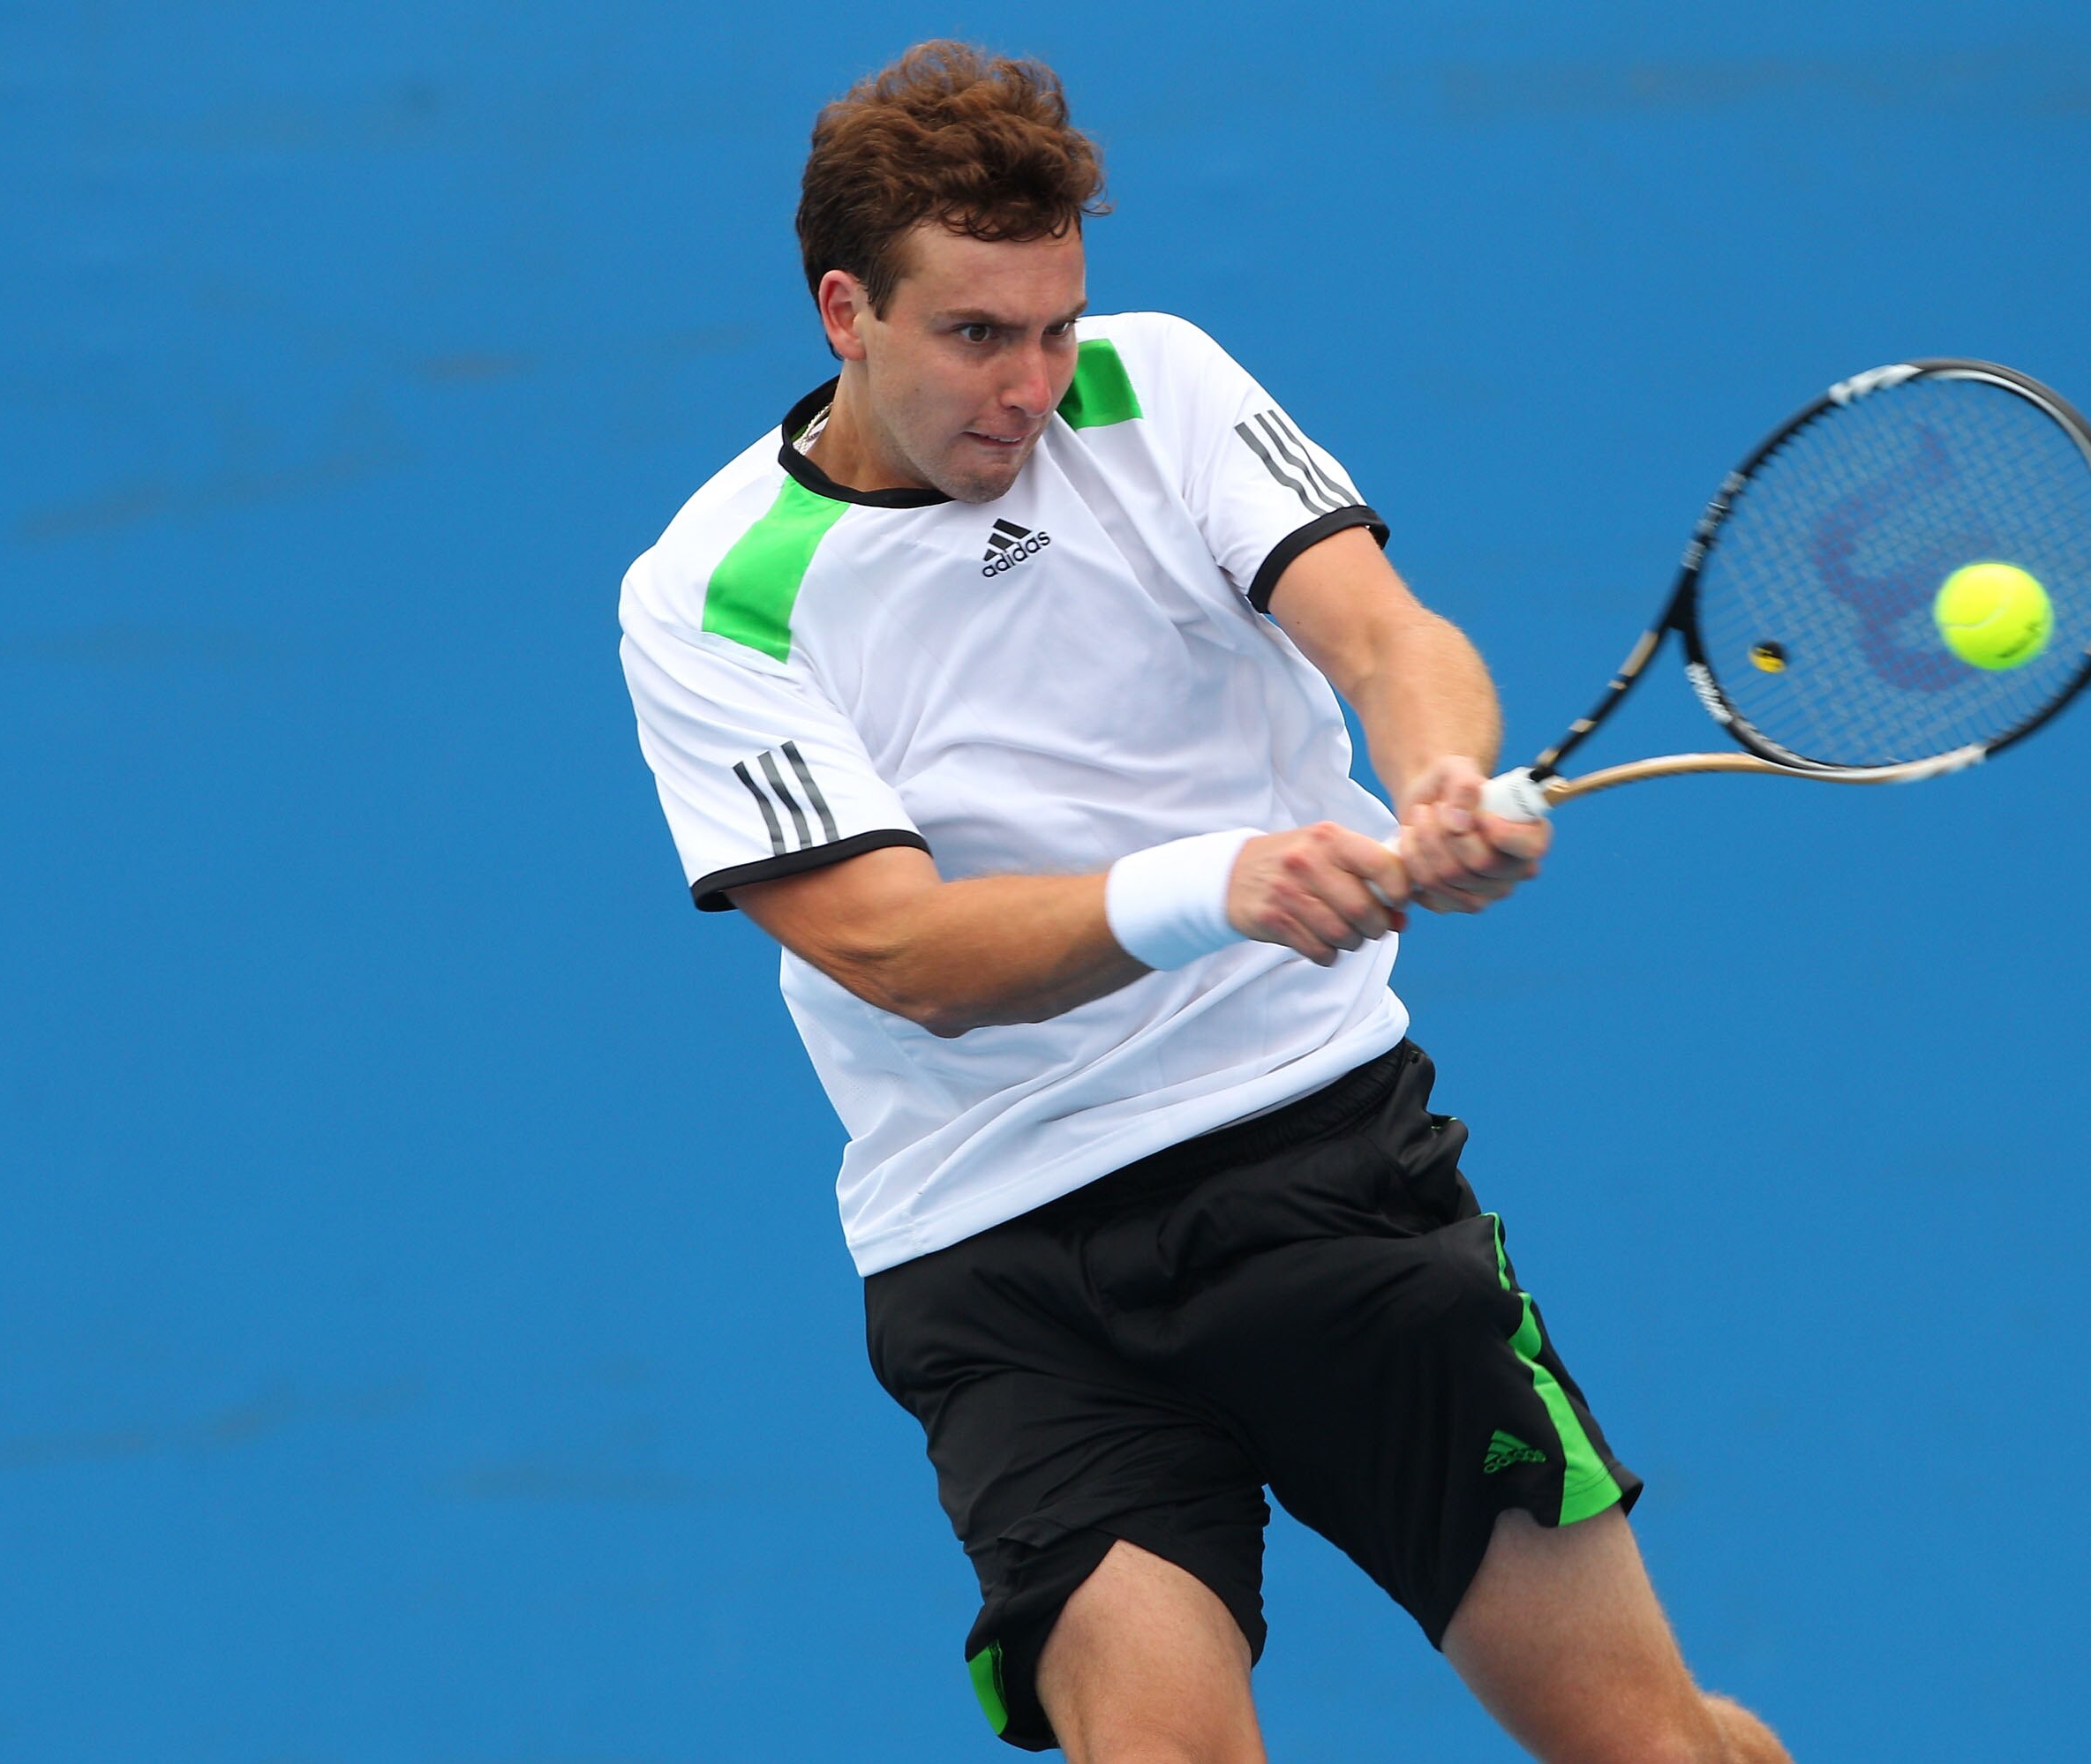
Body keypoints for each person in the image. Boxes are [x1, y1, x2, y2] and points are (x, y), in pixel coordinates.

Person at [619, 39, 1790, 1764]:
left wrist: (1440, 773)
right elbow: (899, 950)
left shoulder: (1154, 387)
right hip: (1005, 1264)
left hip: (1322, 1174)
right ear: (844, 312)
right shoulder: (713, 598)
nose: (1027, 384)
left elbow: (1388, 639)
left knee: (1651, 1750)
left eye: (1051, 326)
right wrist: (1217, 885)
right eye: (972, 336)